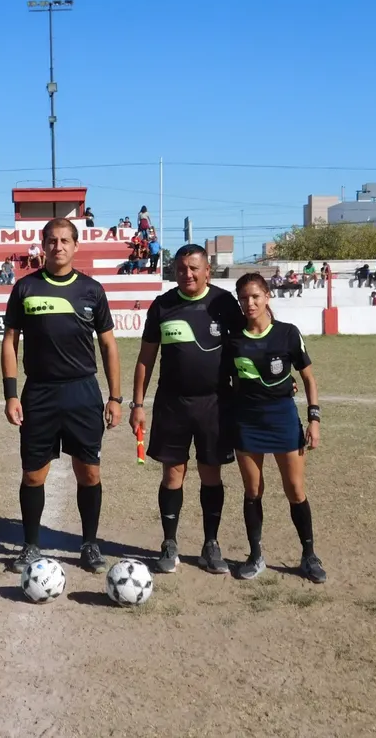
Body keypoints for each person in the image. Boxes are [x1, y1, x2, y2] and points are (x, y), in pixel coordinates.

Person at [1, 217, 122, 574]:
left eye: (65, 240)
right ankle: (30, 546)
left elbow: (109, 345)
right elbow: (10, 342)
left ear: (75, 245)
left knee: (90, 473)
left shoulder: (92, 290)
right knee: (33, 475)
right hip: (39, 392)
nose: (58, 246)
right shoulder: (25, 288)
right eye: (51, 241)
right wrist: (11, 394)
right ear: (43, 245)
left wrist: (115, 398)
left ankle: (89, 544)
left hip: (82, 392)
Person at [129, 244, 241, 574]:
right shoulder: (163, 305)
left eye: (193, 268)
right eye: (180, 269)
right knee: (172, 474)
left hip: (215, 404)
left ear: (207, 271)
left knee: (211, 473)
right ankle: (169, 543)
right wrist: (138, 404)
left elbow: (246, 346)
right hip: (172, 404)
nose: (187, 274)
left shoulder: (224, 303)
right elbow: (146, 358)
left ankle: (211, 544)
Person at [227, 273, 327, 584]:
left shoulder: (287, 333)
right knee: (253, 491)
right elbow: (229, 382)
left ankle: (309, 555)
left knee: (295, 490)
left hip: (283, 420)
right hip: (247, 423)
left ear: (267, 296)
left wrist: (314, 419)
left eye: (255, 296)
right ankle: (255, 555)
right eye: (244, 298)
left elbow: (308, 378)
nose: (250, 303)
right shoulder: (233, 339)